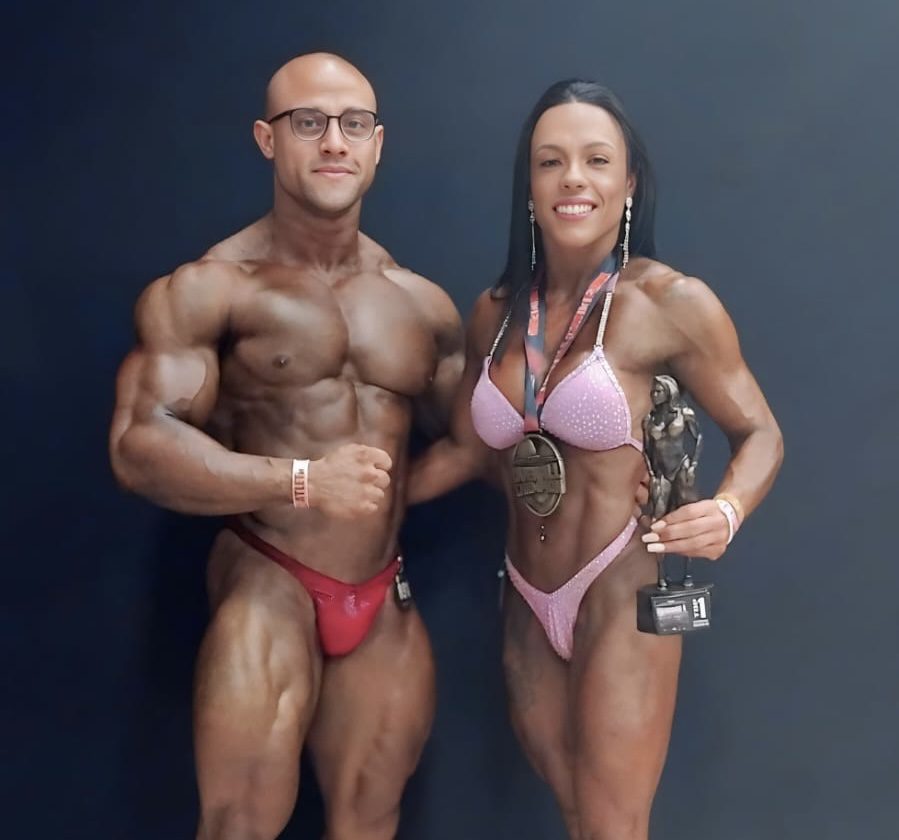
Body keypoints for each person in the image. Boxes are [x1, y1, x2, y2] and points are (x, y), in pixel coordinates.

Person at [408, 79, 783, 839]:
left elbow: (761, 434)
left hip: (621, 587)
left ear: (629, 182)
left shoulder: (668, 302)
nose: (572, 179)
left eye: (596, 160)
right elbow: (469, 453)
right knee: (577, 814)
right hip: (525, 591)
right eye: (550, 162)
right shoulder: (495, 312)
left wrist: (726, 511)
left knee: (613, 825)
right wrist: (346, 499)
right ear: (529, 186)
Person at [109, 53, 463, 840]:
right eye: (309, 123)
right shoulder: (212, 286)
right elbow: (138, 446)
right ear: (267, 140)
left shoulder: (421, 305)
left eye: (353, 124)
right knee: (240, 823)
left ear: (377, 144)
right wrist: (303, 482)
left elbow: (482, 440)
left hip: (380, 590)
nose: (334, 141)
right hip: (268, 578)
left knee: (371, 820)